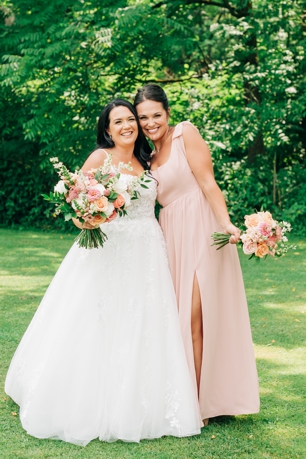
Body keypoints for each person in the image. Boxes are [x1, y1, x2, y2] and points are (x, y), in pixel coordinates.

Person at [5, 100, 201, 445]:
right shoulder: (100, 157)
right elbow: (76, 200)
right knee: (96, 318)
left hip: (147, 250)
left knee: (144, 321)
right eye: (118, 121)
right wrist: (88, 216)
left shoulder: (146, 159)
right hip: (109, 248)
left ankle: (142, 401)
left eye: (130, 119)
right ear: (107, 129)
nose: (127, 125)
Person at [136, 84, 259, 422]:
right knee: (182, 319)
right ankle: (193, 398)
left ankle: (204, 403)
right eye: (143, 117)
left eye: (156, 115)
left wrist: (227, 223)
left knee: (198, 316)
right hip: (170, 235)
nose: (150, 122)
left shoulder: (184, 134)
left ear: (167, 113)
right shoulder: (145, 156)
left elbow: (208, 183)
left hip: (202, 229)